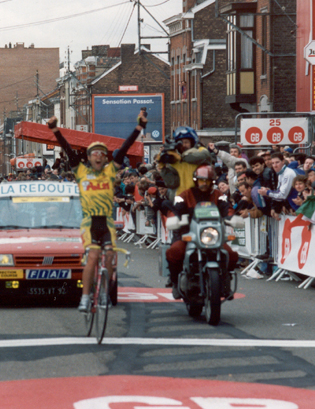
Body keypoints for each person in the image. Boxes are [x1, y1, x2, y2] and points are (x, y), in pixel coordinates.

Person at [48, 111, 147, 312]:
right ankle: (85, 298)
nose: (99, 156)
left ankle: (104, 292)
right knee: (93, 256)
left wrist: (139, 127)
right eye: (95, 153)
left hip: (106, 222)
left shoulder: (110, 172)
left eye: (102, 153)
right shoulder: (81, 172)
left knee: (109, 255)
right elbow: (68, 150)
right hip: (89, 223)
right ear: (90, 157)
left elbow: (124, 148)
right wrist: (55, 130)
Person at [165, 165, 236, 299]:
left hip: (213, 235)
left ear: (212, 182)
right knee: (174, 252)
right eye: (201, 180)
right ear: (196, 180)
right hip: (188, 234)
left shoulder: (218, 195)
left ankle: (226, 281)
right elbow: (175, 208)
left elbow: (227, 208)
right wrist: (174, 219)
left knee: (231, 254)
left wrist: (232, 218)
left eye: (207, 181)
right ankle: (175, 282)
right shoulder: (185, 195)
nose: (204, 183)